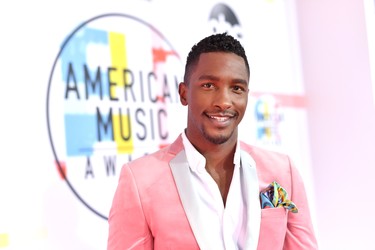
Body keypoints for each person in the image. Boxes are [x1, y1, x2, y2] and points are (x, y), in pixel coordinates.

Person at [107, 32, 318, 250]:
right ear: (184, 93)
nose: (224, 102)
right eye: (209, 85)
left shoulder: (284, 171)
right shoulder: (140, 180)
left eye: (236, 88)